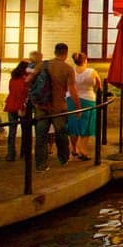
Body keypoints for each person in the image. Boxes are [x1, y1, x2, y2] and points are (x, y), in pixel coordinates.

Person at [34, 43, 79, 172]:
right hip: (58, 107)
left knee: (41, 136)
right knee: (61, 133)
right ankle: (63, 158)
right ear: (65, 53)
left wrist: (34, 100)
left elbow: (29, 81)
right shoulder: (67, 69)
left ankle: (40, 164)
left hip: (42, 106)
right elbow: (72, 89)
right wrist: (77, 107)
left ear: (55, 52)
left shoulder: (43, 64)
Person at [65, 52, 102, 161]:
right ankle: (83, 149)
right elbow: (98, 85)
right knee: (87, 124)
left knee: (73, 123)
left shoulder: (70, 71)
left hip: (71, 99)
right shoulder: (92, 72)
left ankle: (74, 148)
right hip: (88, 99)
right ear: (85, 60)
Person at [3, 60, 30, 161]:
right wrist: (21, 107)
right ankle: (24, 152)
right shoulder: (25, 79)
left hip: (11, 105)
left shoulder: (13, 78)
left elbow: (12, 91)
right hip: (21, 106)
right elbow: (22, 94)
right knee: (25, 130)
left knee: (12, 131)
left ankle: (10, 154)